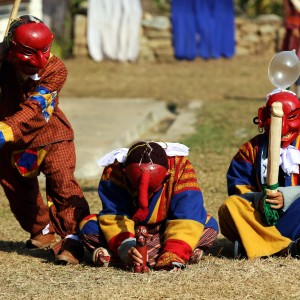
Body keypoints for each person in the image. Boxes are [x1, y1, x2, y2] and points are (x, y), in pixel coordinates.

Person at [0, 15, 90, 264]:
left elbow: (36, 108)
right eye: (30, 53)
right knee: (18, 187)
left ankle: (75, 240)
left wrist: (4, 130)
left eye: (45, 51)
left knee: (63, 186)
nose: (39, 61)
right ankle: (42, 229)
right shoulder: (3, 61)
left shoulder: (56, 69)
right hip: (17, 147)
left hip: (52, 138)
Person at [79, 141, 218, 271]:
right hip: (131, 231)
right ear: (125, 173)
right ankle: (141, 256)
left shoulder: (181, 168)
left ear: (167, 176)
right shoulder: (114, 171)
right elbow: (114, 216)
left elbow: (187, 217)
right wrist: (126, 247)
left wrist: (174, 252)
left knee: (209, 225)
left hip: (166, 229)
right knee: (88, 226)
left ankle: (115, 257)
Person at [218, 89, 300, 259]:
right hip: (262, 220)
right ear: (262, 117)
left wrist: (288, 195)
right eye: (275, 118)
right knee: (230, 207)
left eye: (291, 117)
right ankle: (286, 248)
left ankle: (256, 244)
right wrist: (260, 200)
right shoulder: (250, 150)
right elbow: (238, 188)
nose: (282, 127)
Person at [282, 0, 300, 97]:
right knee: (293, 64)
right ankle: (288, 92)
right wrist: (294, 27)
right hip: (296, 39)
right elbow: (290, 14)